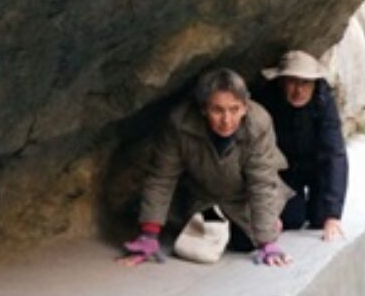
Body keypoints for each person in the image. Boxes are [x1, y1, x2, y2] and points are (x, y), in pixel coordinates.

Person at [120, 68, 294, 267]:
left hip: (243, 196)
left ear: (245, 107)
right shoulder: (180, 123)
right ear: (203, 109)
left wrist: (267, 242)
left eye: (234, 109)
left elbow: (261, 183)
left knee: (246, 242)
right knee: (193, 241)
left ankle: (273, 220)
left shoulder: (258, 123)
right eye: (217, 110)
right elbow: (161, 177)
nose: (226, 120)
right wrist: (148, 234)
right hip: (204, 195)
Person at [258, 50, 349, 242]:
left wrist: (333, 215)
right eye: (292, 82)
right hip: (284, 168)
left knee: (321, 219)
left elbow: (335, 155)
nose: (298, 90)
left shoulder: (324, 102)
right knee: (292, 219)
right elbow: (258, 156)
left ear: (315, 84)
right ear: (281, 82)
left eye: (305, 83)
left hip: (317, 166)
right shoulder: (267, 101)